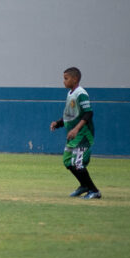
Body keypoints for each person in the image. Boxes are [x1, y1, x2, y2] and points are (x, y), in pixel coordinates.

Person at [50, 67, 100, 199]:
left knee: (78, 163)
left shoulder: (81, 93)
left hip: (83, 134)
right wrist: (59, 123)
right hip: (73, 135)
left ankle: (94, 191)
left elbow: (88, 112)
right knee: (68, 161)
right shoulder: (71, 94)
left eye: (66, 78)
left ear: (75, 79)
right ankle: (84, 185)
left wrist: (76, 129)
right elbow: (71, 115)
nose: (64, 81)